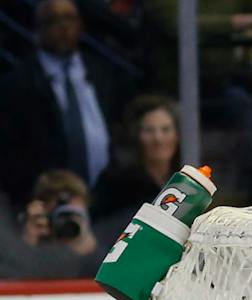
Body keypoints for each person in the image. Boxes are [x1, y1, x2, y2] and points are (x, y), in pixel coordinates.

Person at [0, 0, 127, 207]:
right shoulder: (16, 84)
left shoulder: (103, 72)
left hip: (106, 198)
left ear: (81, 25)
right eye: (53, 20)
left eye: (69, 19)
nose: (63, 27)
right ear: (37, 30)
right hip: (45, 200)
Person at [88, 94, 182, 239]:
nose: (158, 138)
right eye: (149, 130)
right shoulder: (114, 183)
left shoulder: (186, 180)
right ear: (136, 136)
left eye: (165, 129)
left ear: (177, 135)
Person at [0, 168, 102, 280]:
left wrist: (90, 249)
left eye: (75, 215)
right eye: (60, 215)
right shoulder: (17, 244)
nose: (67, 224)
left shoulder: (97, 250)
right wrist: (29, 241)